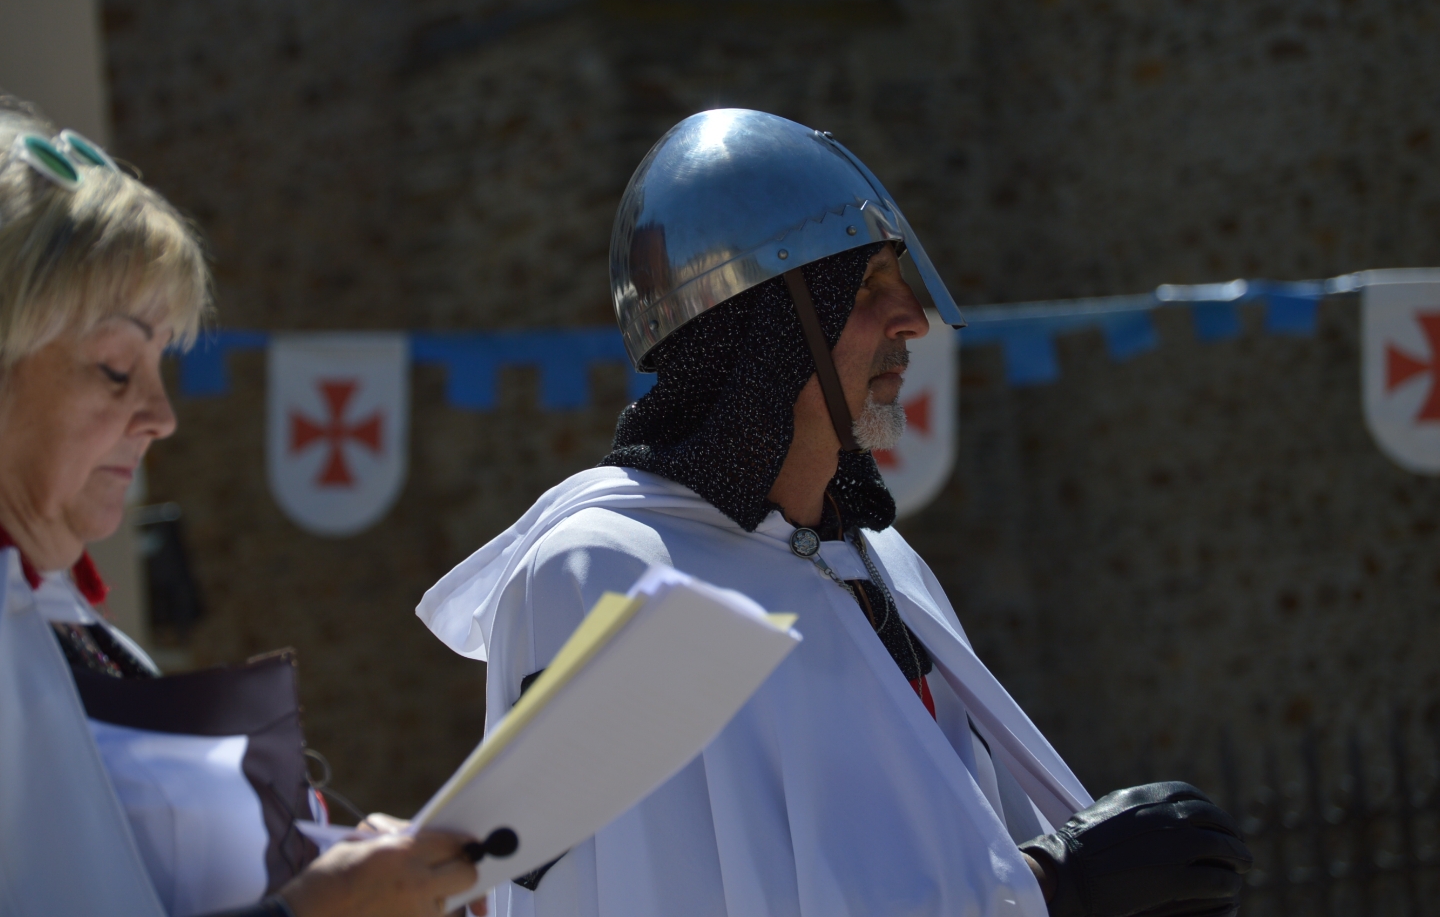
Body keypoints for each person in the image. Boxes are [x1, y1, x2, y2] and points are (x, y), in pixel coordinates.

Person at [419, 108, 1253, 917]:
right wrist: (1049, 888)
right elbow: (658, 896)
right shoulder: (606, 570)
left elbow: (952, 843)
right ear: (765, 334)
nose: (912, 321)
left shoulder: (880, 562)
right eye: (865, 287)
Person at [0, 104, 481, 917]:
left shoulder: (53, 626)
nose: (162, 418)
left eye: (158, 366)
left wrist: (354, 869)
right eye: (113, 368)